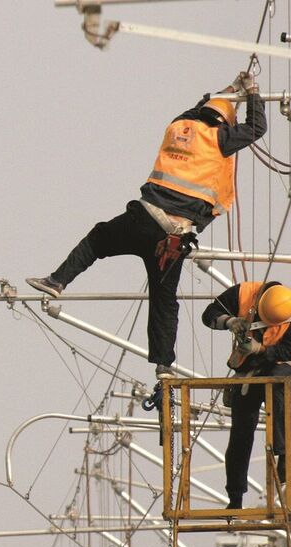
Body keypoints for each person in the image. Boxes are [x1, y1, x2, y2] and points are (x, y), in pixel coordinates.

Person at [26, 71, 267, 380]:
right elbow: (257, 128)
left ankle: (57, 281)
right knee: (164, 300)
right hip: (173, 237)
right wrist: (253, 93)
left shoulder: (176, 127)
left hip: (142, 217)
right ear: (224, 122)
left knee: (98, 239)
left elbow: (196, 109)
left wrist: (232, 88)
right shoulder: (219, 137)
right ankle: (164, 365)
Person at [201, 281, 291, 509]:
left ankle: (283, 457)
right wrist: (230, 322)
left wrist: (261, 349)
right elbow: (209, 314)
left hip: (283, 361)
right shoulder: (243, 294)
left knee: (278, 389)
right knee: (241, 429)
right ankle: (235, 496)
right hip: (250, 366)